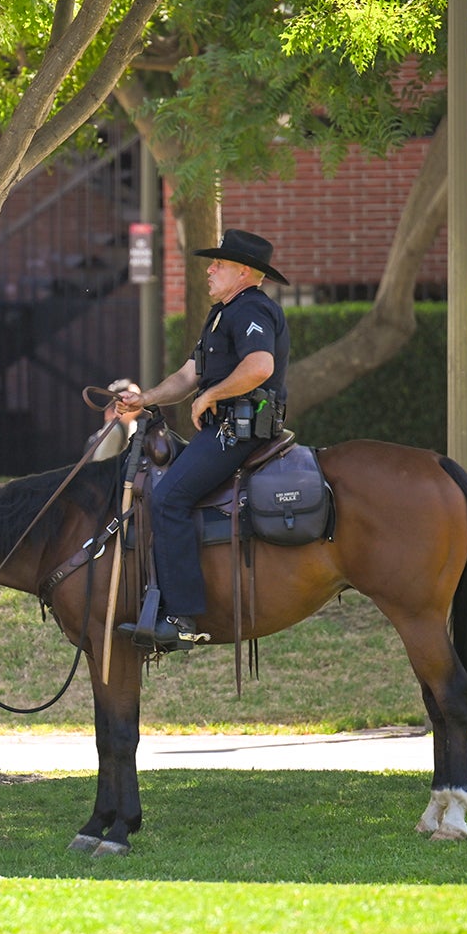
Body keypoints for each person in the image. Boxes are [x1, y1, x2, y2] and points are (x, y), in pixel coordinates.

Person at [114, 229, 290, 652]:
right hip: (220, 431)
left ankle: (182, 616)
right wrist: (145, 398)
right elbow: (187, 376)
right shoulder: (219, 315)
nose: (209, 270)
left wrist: (211, 395)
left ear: (244, 272)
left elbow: (260, 365)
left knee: (168, 497)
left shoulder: (253, 308)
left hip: (239, 433)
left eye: (219, 264)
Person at [90, 378, 140, 461]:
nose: (139, 400)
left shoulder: (134, 426)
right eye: (134, 396)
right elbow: (101, 463)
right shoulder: (113, 430)